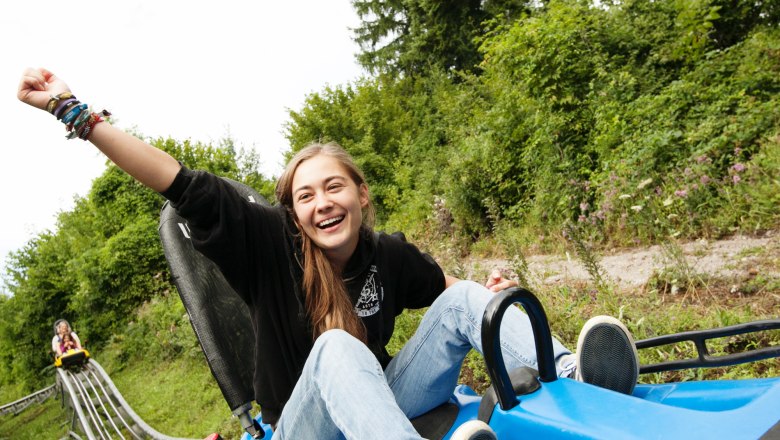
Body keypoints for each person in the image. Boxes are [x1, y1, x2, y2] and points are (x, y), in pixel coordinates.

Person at [18, 68, 640, 440]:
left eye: (334, 187)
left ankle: (582, 379)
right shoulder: (267, 245)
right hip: (305, 426)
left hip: (375, 407)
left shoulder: (386, 255)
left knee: (464, 298)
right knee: (338, 347)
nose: (322, 204)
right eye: (306, 195)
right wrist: (72, 110)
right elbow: (179, 183)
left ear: (360, 195)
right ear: (293, 211)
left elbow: (448, 287)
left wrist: (489, 299)